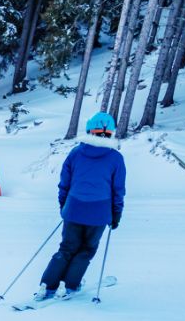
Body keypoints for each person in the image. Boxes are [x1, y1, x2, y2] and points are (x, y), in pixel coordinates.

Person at [36, 112, 126, 300]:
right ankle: (69, 285)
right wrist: (116, 214)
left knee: (67, 248)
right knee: (86, 249)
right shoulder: (115, 158)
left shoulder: (76, 153)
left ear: (89, 131)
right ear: (111, 133)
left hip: (74, 208)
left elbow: (64, 184)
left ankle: (47, 283)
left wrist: (64, 205)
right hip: (99, 213)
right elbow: (118, 190)